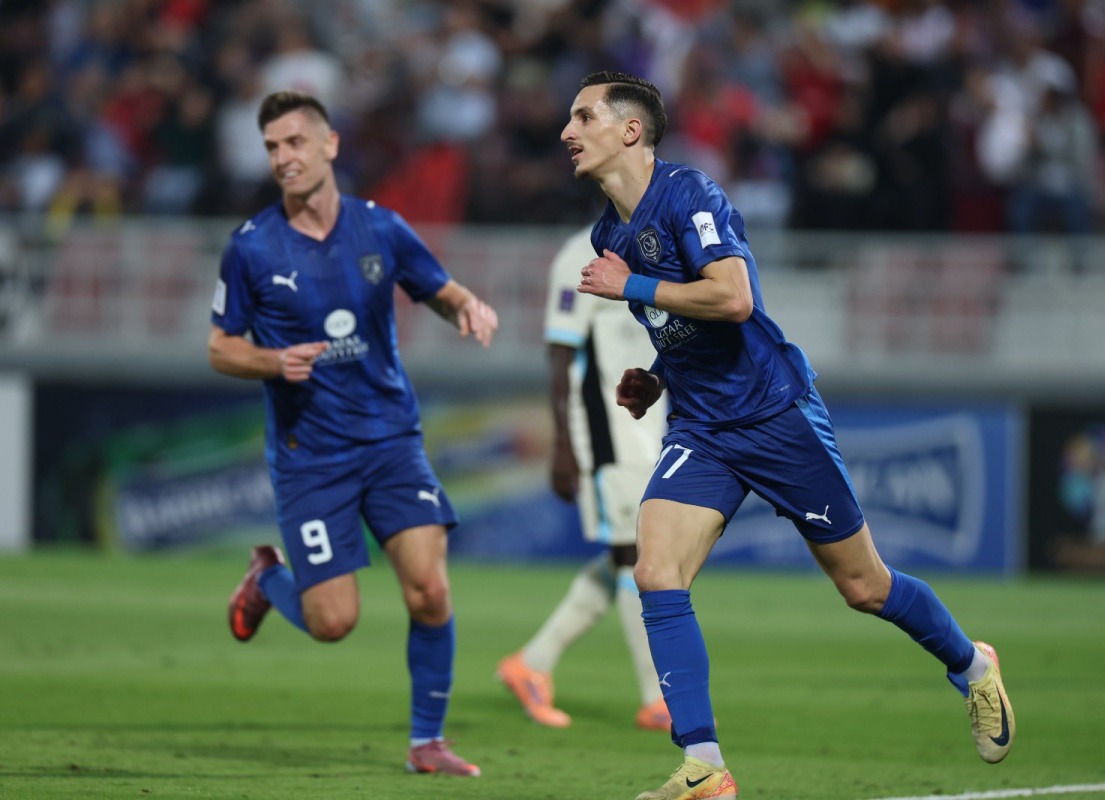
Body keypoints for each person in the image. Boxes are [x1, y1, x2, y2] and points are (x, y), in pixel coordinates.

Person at [560, 71, 1014, 800]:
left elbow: (733, 299)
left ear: (631, 130)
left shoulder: (691, 196)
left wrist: (633, 289)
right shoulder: (609, 232)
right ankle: (704, 766)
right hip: (704, 428)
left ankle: (972, 664)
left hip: (775, 415)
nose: (566, 132)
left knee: (865, 588)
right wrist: (657, 374)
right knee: (655, 571)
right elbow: (686, 326)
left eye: (583, 116)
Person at [209, 90, 497, 778]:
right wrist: (273, 361)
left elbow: (438, 286)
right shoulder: (251, 248)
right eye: (273, 147)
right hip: (312, 457)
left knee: (429, 591)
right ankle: (268, 577)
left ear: (330, 144)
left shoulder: (381, 228)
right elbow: (221, 348)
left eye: (295, 143)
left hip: (392, 439)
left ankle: (427, 742)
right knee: (333, 622)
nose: (283, 158)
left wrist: (468, 305)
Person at [496, 227, 671, 732]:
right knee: (636, 556)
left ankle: (533, 662)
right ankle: (656, 698)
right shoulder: (580, 253)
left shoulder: (658, 244)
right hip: (604, 433)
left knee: (631, 554)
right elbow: (560, 349)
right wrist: (562, 444)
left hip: (648, 431)